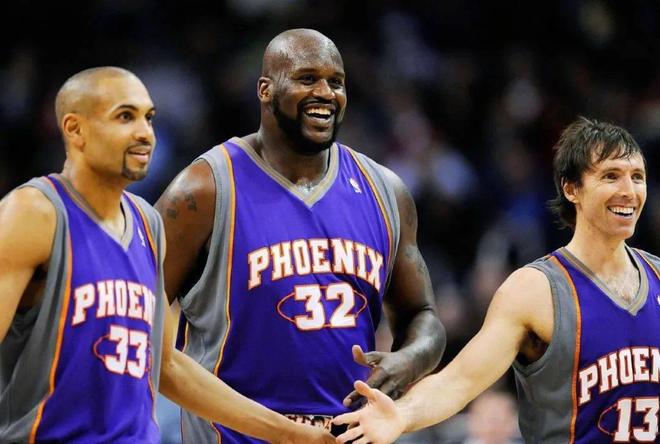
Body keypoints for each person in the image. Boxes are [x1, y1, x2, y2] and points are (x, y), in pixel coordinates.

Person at [0, 67, 333, 443]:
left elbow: (168, 366)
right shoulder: (35, 212)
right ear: (75, 129)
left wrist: (290, 434)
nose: (145, 132)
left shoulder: (147, 222)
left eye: (149, 117)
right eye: (125, 117)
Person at [155, 28, 446, 442]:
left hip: (346, 434)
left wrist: (410, 359)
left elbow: (423, 315)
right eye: (307, 79)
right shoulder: (204, 190)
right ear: (265, 90)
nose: (325, 93)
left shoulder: (386, 192)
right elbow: (134, 321)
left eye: (336, 82)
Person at [334, 117, 660, 443]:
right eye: (611, 176)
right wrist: (402, 414)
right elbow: (459, 381)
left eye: (637, 177)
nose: (628, 191)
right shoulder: (536, 289)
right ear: (571, 188)